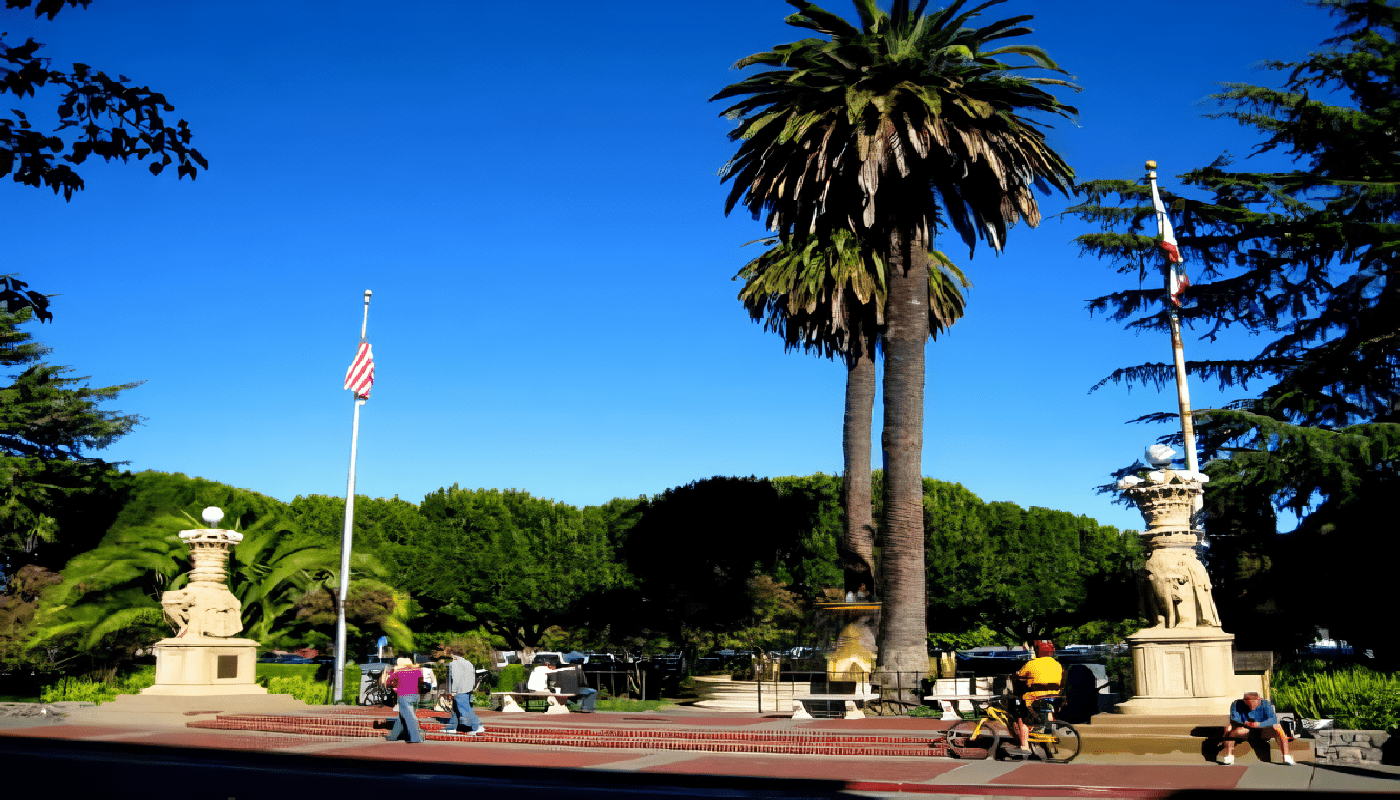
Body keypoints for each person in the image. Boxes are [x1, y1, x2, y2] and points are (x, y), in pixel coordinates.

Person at [1008, 640, 1063, 757]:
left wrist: (1015, 675)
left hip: (1035, 699)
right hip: (1054, 697)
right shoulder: (1057, 665)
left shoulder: (1032, 664)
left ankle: (1024, 746)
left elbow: (1020, 675)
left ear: (1038, 651)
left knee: (1020, 714)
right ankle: (1049, 725)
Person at [1220, 691, 1295, 765]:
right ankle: (1229, 756)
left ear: (1259, 700)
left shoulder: (1265, 704)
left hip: (1262, 729)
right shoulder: (1236, 704)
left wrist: (1259, 724)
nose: (1254, 705)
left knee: (1278, 727)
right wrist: (1246, 723)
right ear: (1245, 701)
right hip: (1246, 729)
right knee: (1229, 728)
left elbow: (1273, 719)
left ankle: (1286, 756)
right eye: (1251, 704)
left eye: (1256, 703)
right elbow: (1234, 717)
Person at [441, 647, 484, 735]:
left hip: (460, 690)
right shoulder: (468, 663)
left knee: (464, 709)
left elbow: (456, 679)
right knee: (457, 709)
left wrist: (453, 691)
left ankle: (477, 726)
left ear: (453, 654)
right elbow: (473, 677)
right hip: (468, 689)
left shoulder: (455, 664)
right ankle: (452, 726)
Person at [383, 657, 427, 743]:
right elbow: (422, 681)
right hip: (415, 696)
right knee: (404, 715)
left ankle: (415, 738)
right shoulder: (417, 671)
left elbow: (388, 683)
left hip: (404, 696)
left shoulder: (399, 673)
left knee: (410, 717)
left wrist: (392, 679)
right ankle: (393, 736)